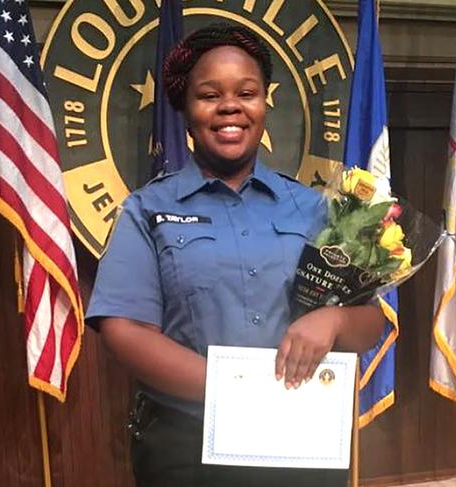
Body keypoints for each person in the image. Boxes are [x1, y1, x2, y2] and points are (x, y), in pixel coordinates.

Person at [86, 23, 385, 487]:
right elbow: (125, 330)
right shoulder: (148, 210)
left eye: (247, 92)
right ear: (186, 110)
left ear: (264, 103)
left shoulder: (314, 208)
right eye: (209, 95)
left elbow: (371, 322)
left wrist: (335, 322)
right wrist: (236, 391)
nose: (230, 106)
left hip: (300, 434)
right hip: (186, 444)